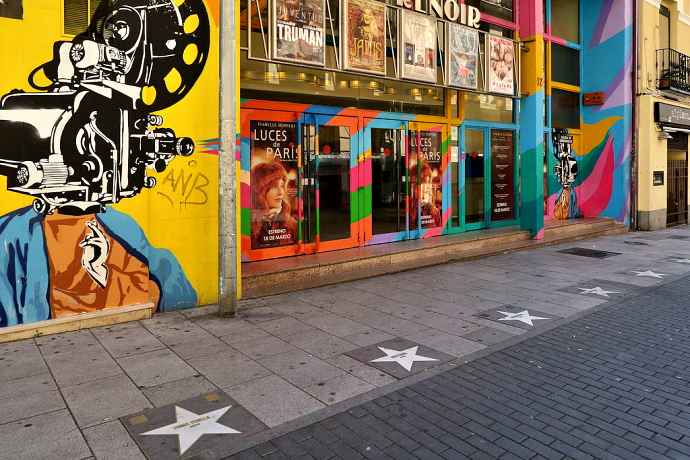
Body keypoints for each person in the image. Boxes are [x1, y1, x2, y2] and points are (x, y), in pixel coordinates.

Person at [251, 161, 298, 248]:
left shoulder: (292, 224)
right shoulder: (249, 223)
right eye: (274, 187)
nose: (281, 192)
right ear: (260, 190)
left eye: (282, 186)